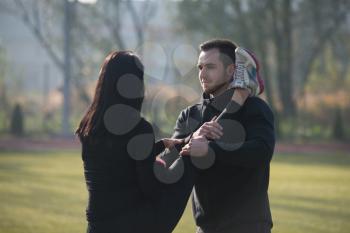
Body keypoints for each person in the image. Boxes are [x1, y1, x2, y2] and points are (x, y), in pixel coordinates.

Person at [76, 51, 198, 233]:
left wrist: (159, 146)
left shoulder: (89, 124)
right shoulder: (138, 128)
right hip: (133, 225)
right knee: (192, 157)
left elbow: (117, 159)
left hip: (97, 225)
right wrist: (183, 157)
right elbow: (151, 189)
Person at [164, 39, 275, 233]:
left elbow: (262, 152)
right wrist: (192, 140)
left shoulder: (255, 108)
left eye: (210, 67)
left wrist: (211, 149)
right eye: (200, 67)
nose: (202, 74)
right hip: (206, 227)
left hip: (249, 226)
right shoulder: (190, 115)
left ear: (231, 70)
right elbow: (171, 161)